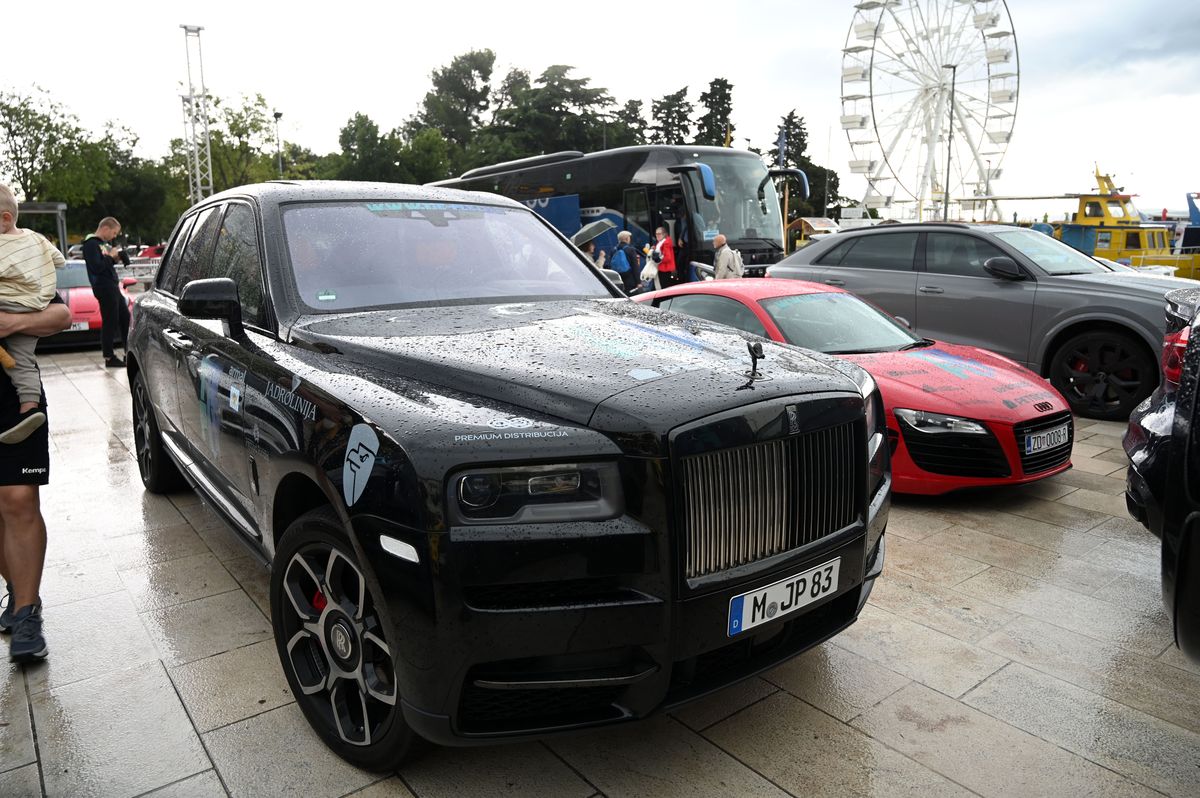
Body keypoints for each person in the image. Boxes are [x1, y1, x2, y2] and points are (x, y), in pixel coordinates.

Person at [0, 294, 72, 663]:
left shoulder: (12, 263)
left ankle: (27, 613)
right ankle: (17, 588)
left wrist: (11, 323)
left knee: (18, 498)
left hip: (13, 397)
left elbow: (60, 315)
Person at [0, 185, 65, 444]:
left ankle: (29, 409)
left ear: (5, 219)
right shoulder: (35, 239)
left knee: (19, 361)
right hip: (33, 304)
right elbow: (59, 260)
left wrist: (11, 323)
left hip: (9, 304)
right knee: (23, 360)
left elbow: (64, 316)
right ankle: (29, 407)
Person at [82, 217, 130, 367]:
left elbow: (106, 264)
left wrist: (118, 258)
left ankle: (129, 353)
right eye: (114, 233)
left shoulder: (102, 244)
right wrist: (110, 256)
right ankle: (109, 357)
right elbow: (97, 267)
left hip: (112, 286)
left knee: (125, 318)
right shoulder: (90, 244)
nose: (114, 236)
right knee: (110, 321)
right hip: (103, 287)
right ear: (105, 228)